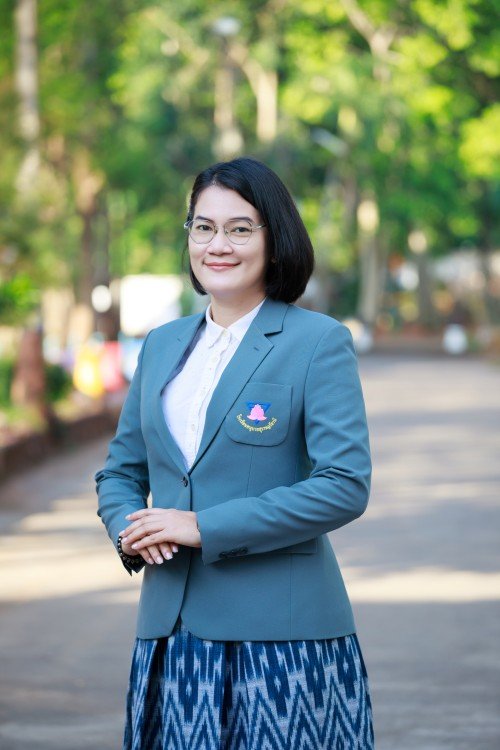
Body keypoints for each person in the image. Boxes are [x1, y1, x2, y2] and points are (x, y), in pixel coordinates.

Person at [95, 156, 374, 749]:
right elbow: (120, 471)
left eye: (240, 228)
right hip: (170, 635)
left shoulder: (317, 342)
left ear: (275, 239)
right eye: (203, 227)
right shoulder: (162, 344)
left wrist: (202, 526)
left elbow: (343, 485)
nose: (217, 244)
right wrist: (131, 528)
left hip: (282, 640)